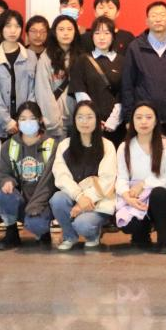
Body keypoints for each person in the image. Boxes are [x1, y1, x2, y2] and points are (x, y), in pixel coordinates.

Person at [49, 100, 118, 251]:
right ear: (74, 120)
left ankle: (93, 235)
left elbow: (107, 181)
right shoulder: (64, 145)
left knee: (83, 225)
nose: (84, 121)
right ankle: (69, 236)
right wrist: (79, 197)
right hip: (75, 197)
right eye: (80, 117)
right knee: (57, 199)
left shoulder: (107, 146)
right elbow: (61, 176)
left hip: (98, 200)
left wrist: (85, 200)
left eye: (89, 117)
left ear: (97, 119)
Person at [120, 1, 166, 143]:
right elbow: (127, 85)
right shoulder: (135, 47)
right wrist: (128, 117)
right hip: (143, 118)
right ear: (147, 21)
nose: (158, 19)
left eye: (162, 15)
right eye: (153, 15)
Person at [0, 102, 59, 250]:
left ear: (40, 120)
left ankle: (43, 231)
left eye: (32, 118)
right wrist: (7, 181)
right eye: (23, 119)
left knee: (37, 225)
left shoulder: (52, 146)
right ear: (17, 121)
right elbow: (3, 172)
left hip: (43, 202)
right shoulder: (9, 146)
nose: (27, 122)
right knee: (4, 195)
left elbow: (49, 183)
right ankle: (11, 232)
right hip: (21, 200)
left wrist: (36, 206)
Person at [115, 102, 166, 253]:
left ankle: (164, 240)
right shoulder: (124, 147)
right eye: (139, 117)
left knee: (159, 194)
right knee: (130, 226)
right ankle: (141, 233)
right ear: (132, 122)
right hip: (135, 197)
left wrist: (143, 184)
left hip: (160, 198)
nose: (143, 121)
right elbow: (122, 178)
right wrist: (127, 197)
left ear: (156, 121)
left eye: (149, 117)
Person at [0, 9, 50, 137]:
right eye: (8, 26)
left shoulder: (30, 56)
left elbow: (34, 90)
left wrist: (25, 118)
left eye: (17, 26)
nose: (13, 31)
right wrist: (7, 122)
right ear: (1, 28)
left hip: (26, 125)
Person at [38, 15, 84, 138]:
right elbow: (43, 91)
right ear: (54, 32)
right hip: (56, 122)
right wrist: (53, 123)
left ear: (75, 32)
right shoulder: (46, 57)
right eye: (61, 29)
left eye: (70, 29)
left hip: (80, 120)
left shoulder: (82, 56)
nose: (66, 33)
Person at [89, 16, 126, 145]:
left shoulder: (123, 61)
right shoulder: (83, 60)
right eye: (97, 33)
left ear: (113, 36)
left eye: (106, 33)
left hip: (116, 125)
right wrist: (91, 117)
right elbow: (80, 92)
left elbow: (125, 92)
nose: (102, 37)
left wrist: (114, 119)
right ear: (92, 36)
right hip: (89, 124)